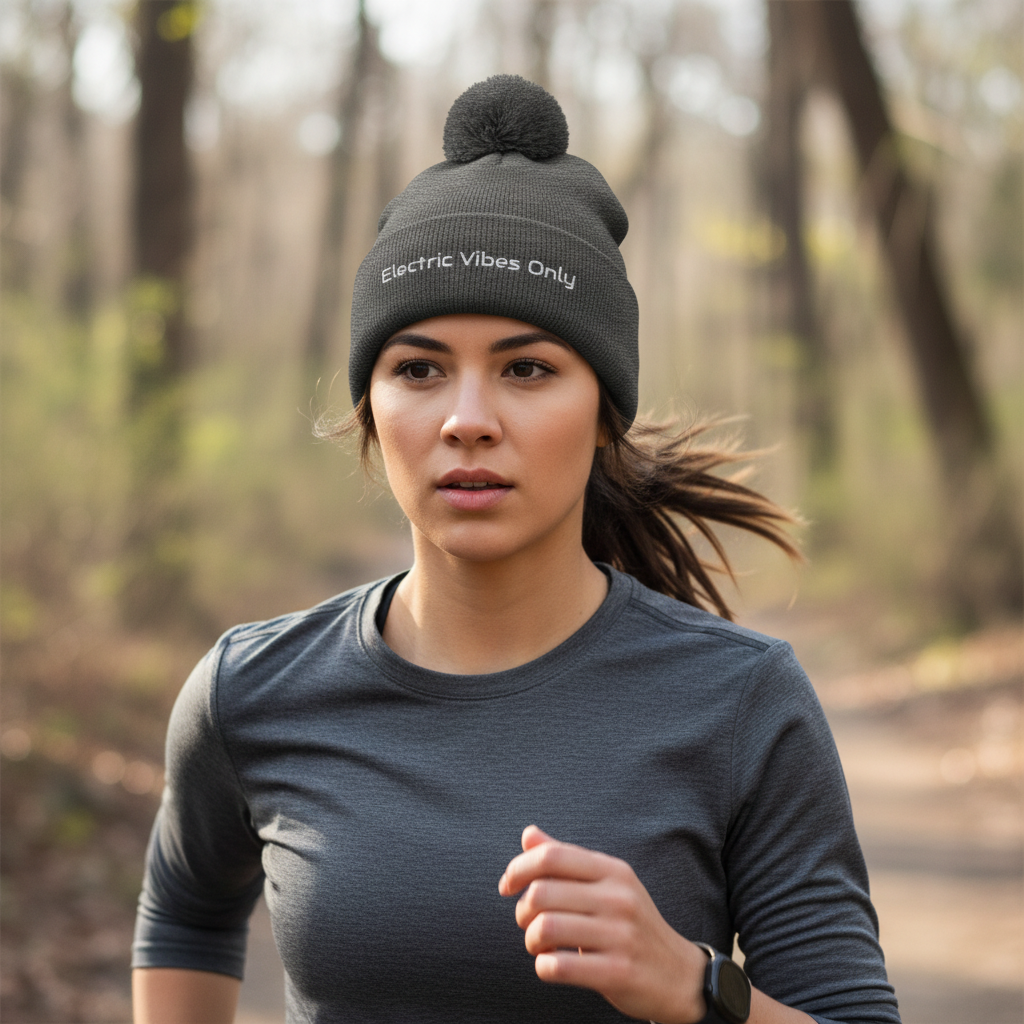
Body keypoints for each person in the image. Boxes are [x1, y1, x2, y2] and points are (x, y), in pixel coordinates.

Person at [131, 76, 901, 1024]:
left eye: (527, 368)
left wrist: (694, 985)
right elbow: (187, 912)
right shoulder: (251, 691)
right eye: (418, 368)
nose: (467, 419)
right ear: (370, 411)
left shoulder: (743, 704)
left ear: (605, 412)